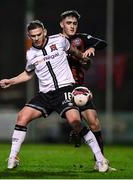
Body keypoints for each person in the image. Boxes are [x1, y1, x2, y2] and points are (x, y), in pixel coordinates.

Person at [0, 20, 109, 172]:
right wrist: (11, 81)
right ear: (29, 36)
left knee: (75, 121)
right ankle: (13, 158)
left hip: (64, 90)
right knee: (22, 117)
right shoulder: (30, 53)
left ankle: (100, 159)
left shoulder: (59, 40)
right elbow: (28, 73)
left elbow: (72, 51)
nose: (36, 38)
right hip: (45, 95)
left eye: (39, 34)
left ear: (44, 31)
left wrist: (83, 57)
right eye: (33, 36)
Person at [59, 10, 116, 171]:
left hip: (78, 87)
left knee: (94, 122)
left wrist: (91, 47)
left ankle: (100, 162)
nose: (72, 26)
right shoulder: (55, 41)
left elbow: (102, 43)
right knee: (76, 122)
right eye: (68, 23)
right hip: (60, 87)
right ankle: (76, 131)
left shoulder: (81, 38)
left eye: (74, 23)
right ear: (61, 24)